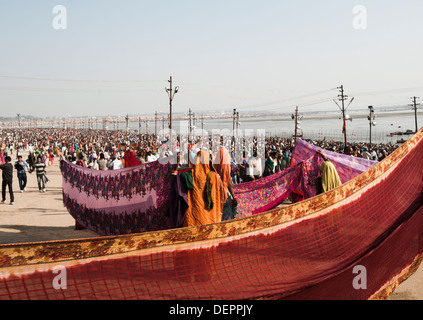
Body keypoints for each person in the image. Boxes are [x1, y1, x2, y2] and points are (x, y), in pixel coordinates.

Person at [183, 150, 225, 227]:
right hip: (210, 219)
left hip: (193, 220)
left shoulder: (189, 175)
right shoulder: (215, 176)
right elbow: (219, 195)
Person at [213, 147, 238, 221]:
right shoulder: (225, 166)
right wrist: (233, 196)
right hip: (224, 194)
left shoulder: (213, 167)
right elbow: (228, 181)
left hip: (215, 194)